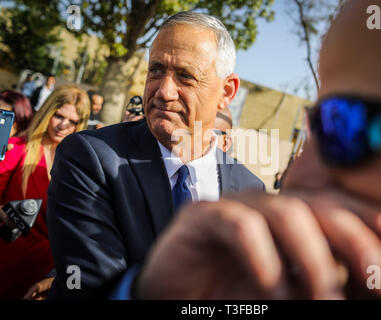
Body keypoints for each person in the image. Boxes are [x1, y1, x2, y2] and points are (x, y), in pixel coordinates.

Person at [127, 0, 381, 300]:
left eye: (348, 126)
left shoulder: (247, 185)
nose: (295, 180)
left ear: (227, 92)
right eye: (318, 126)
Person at [46, 11, 265, 299]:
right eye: (156, 70)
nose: (163, 91)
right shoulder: (88, 158)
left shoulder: (251, 191)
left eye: (185, 76)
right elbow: (93, 287)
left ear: (226, 91)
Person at [0, 85, 90, 300]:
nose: (63, 125)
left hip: (48, 275)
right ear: (48, 111)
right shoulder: (17, 148)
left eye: (72, 121)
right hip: (7, 264)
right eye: (58, 115)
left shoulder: (83, 166)